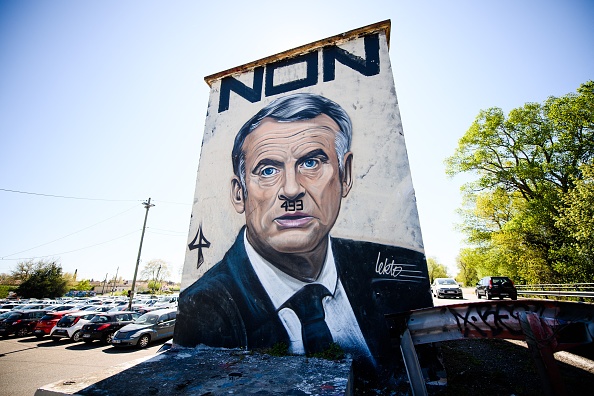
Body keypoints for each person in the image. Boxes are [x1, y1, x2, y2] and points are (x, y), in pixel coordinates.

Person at [174, 93, 431, 379]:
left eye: (311, 163)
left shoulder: (404, 269)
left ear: (345, 175)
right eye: (268, 170)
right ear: (239, 193)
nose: (292, 190)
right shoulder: (201, 312)